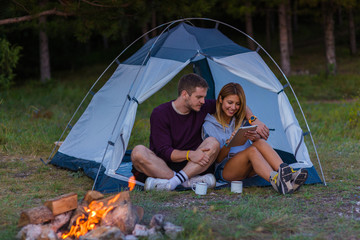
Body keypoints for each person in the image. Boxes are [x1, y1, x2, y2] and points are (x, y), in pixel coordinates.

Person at [131, 73, 270, 191]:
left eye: (204, 97)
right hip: (164, 165)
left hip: (195, 166)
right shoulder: (160, 113)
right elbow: (164, 151)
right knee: (138, 152)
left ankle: (169, 183)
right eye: (199, 97)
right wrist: (190, 154)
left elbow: (236, 104)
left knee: (213, 143)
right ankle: (184, 181)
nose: (203, 101)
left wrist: (253, 120)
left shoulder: (202, 107)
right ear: (185, 94)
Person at [202, 82, 308, 194]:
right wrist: (229, 143)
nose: (233, 107)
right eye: (230, 102)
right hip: (226, 170)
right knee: (252, 150)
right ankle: (278, 182)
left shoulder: (240, 120)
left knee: (259, 142)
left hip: (250, 165)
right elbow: (217, 159)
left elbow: (259, 140)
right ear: (220, 99)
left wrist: (254, 136)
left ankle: (288, 174)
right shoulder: (209, 125)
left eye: (237, 104)